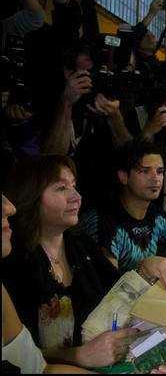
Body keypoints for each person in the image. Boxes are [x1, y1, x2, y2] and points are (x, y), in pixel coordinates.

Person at [2, 155, 141, 369]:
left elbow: (120, 288)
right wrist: (78, 355)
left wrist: (146, 270)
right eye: (61, 188)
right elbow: (21, 355)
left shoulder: (80, 244)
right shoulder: (13, 263)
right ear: (31, 197)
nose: (76, 197)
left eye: (74, 186)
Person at [77, 140, 166, 293]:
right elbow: (110, 288)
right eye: (145, 171)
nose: (155, 178)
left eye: (160, 171)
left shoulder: (154, 214)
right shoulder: (102, 222)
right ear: (123, 176)